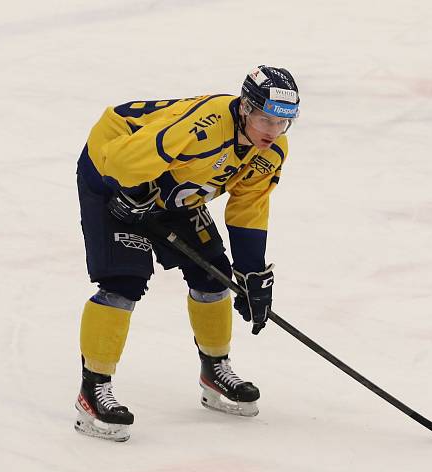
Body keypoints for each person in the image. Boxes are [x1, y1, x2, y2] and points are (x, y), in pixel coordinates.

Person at [73, 66, 300, 441]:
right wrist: (131, 191)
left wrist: (251, 273)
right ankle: (92, 392)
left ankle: (215, 372)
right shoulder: (204, 128)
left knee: (214, 276)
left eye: (283, 123)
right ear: (245, 107)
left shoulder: (271, 151)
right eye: (265, 119)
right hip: (111, 169)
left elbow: (249, 206)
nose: (272, 132)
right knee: (123, 282)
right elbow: (124, 159)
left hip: (172, 189)